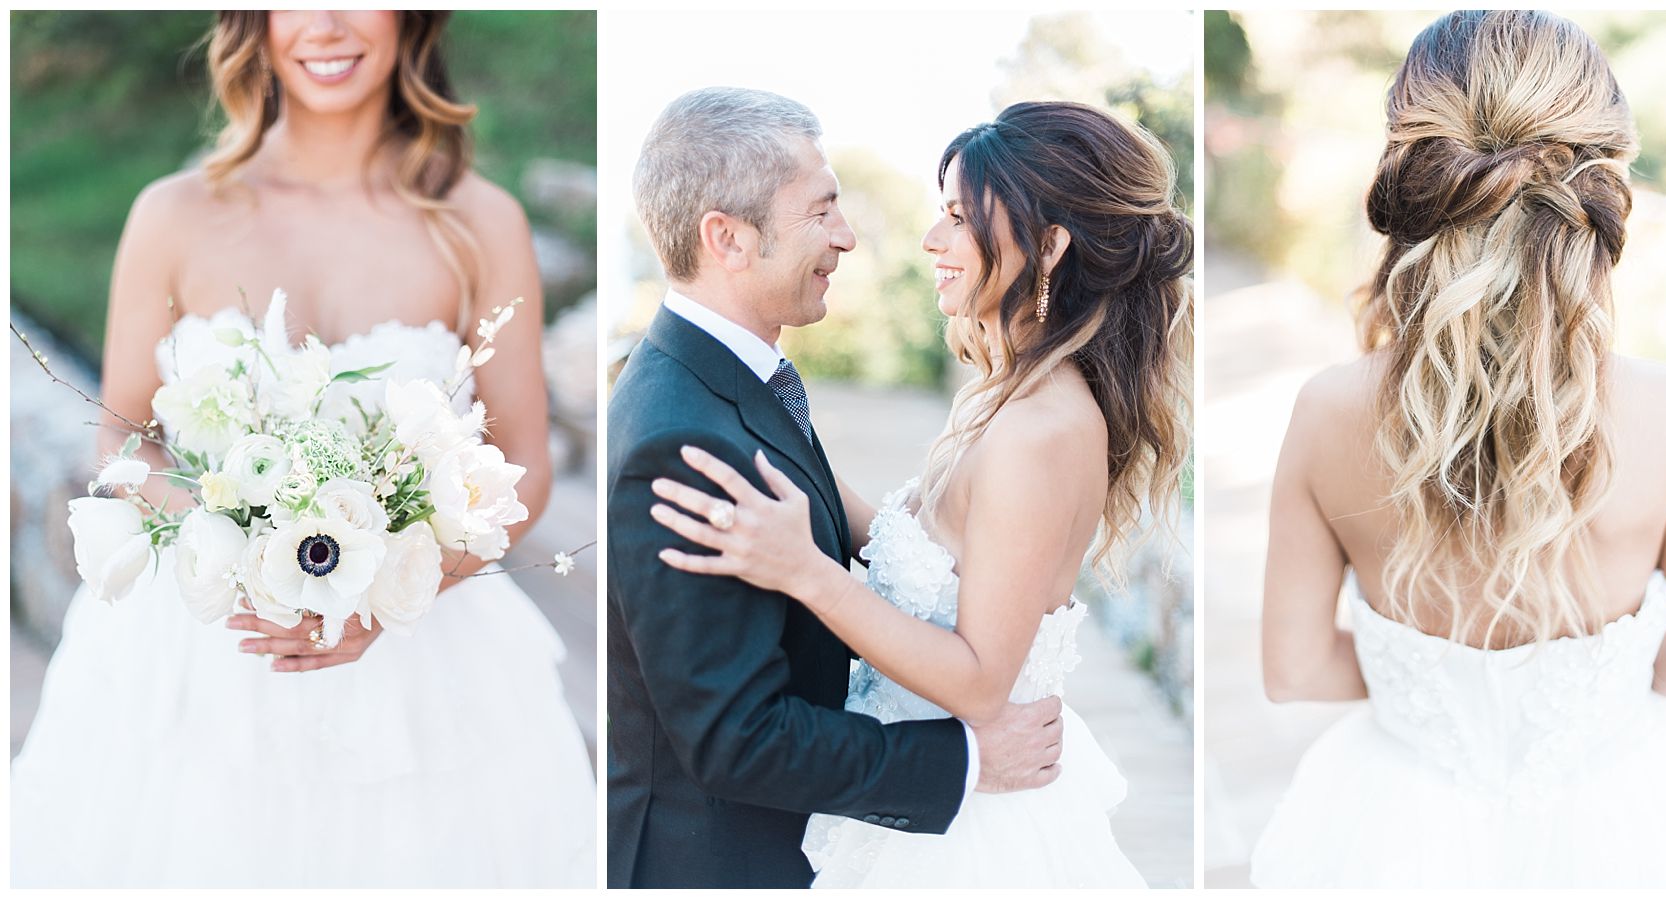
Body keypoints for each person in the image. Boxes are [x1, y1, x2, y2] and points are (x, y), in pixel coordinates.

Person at [11, 11, 595, 887]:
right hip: (192, 659)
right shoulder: (174, 213)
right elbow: (123, 431)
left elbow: (524, 465)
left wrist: (393, 591)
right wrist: (236, 545)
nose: (326, 25)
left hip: (422, 661)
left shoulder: (479, 221)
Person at [1251, 10, 1666, 888]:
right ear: (1604, 181)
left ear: (1411, 175)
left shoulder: (1325, 413)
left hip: (1393, 834)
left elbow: (1294, 666)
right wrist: (1582, 688)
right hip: (1640, 830)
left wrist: (1433, 688)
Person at [642, 98, 1191, 887]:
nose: (933, 239)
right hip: (921, 803)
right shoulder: (1008, 391)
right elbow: (921, 546)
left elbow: (978, 676)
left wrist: (806, 571)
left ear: (1049, 244)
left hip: (972, 832)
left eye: (961, 219)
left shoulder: (1042, 431)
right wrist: (762, 420)